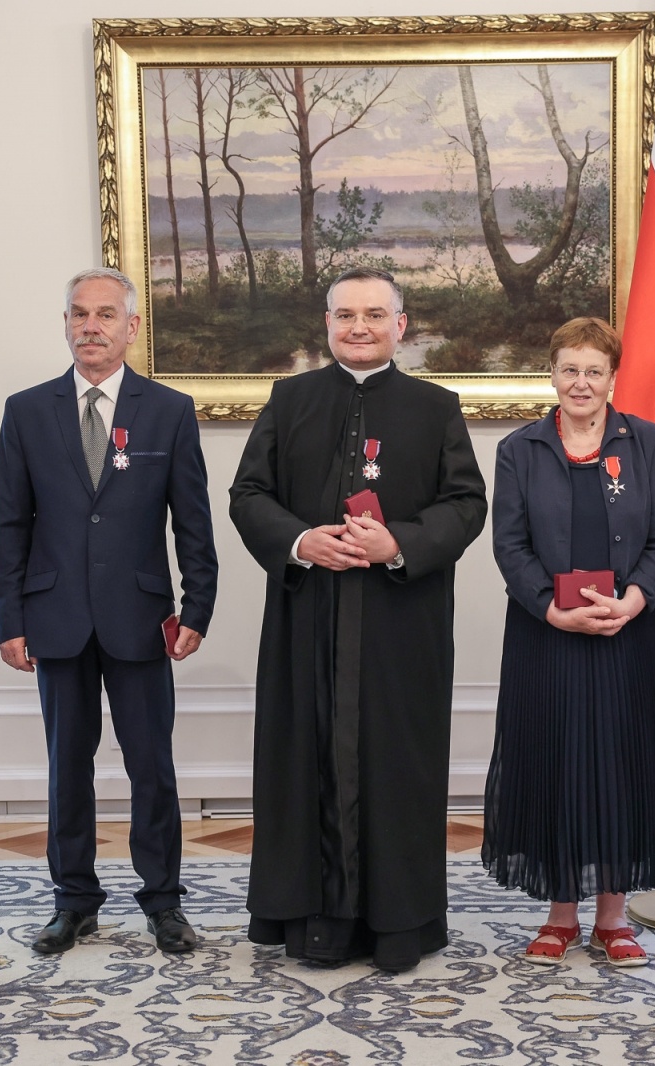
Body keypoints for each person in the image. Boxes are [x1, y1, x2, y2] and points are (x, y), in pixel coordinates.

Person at [228, 266, 487, 973]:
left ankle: (398, 927)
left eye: (375, 315)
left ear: (400, 326)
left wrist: (397, 543)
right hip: (307, 617)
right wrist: (299, 541)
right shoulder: (289, 399)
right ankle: (311, 925)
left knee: (396, 767)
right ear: (327, 325)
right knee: (303, 762)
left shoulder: (436, 407)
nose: (360, 327)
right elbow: (248, 493)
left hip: (400, 628)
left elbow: (467, 504)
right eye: (345, 315)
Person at [0, 267, 217, 956]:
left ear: (131, 327)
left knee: (152, 765)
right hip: (54, 616)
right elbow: (9, 525)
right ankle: (74, 902)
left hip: (140, 618)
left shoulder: (168, 410)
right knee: (68, 766)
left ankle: (164, 903)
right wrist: (10, 620)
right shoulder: (27, 411)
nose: (91, 326)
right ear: (65, 323)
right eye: (79, 314)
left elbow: (193, 521)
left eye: (105, 315)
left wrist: (197, 607)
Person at [483, 317, 655, 966]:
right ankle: (560, 915)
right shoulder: (519, 449)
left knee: (621, 766)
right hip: (546, 637)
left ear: (612, 378)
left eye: (594, 371)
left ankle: (614, 917)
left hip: (630, 635)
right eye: (570, 369)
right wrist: (551, 610)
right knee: (556, 766)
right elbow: (509, 546)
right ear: (552, 374)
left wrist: (634, 600)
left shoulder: (648, 442)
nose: (581, 382)